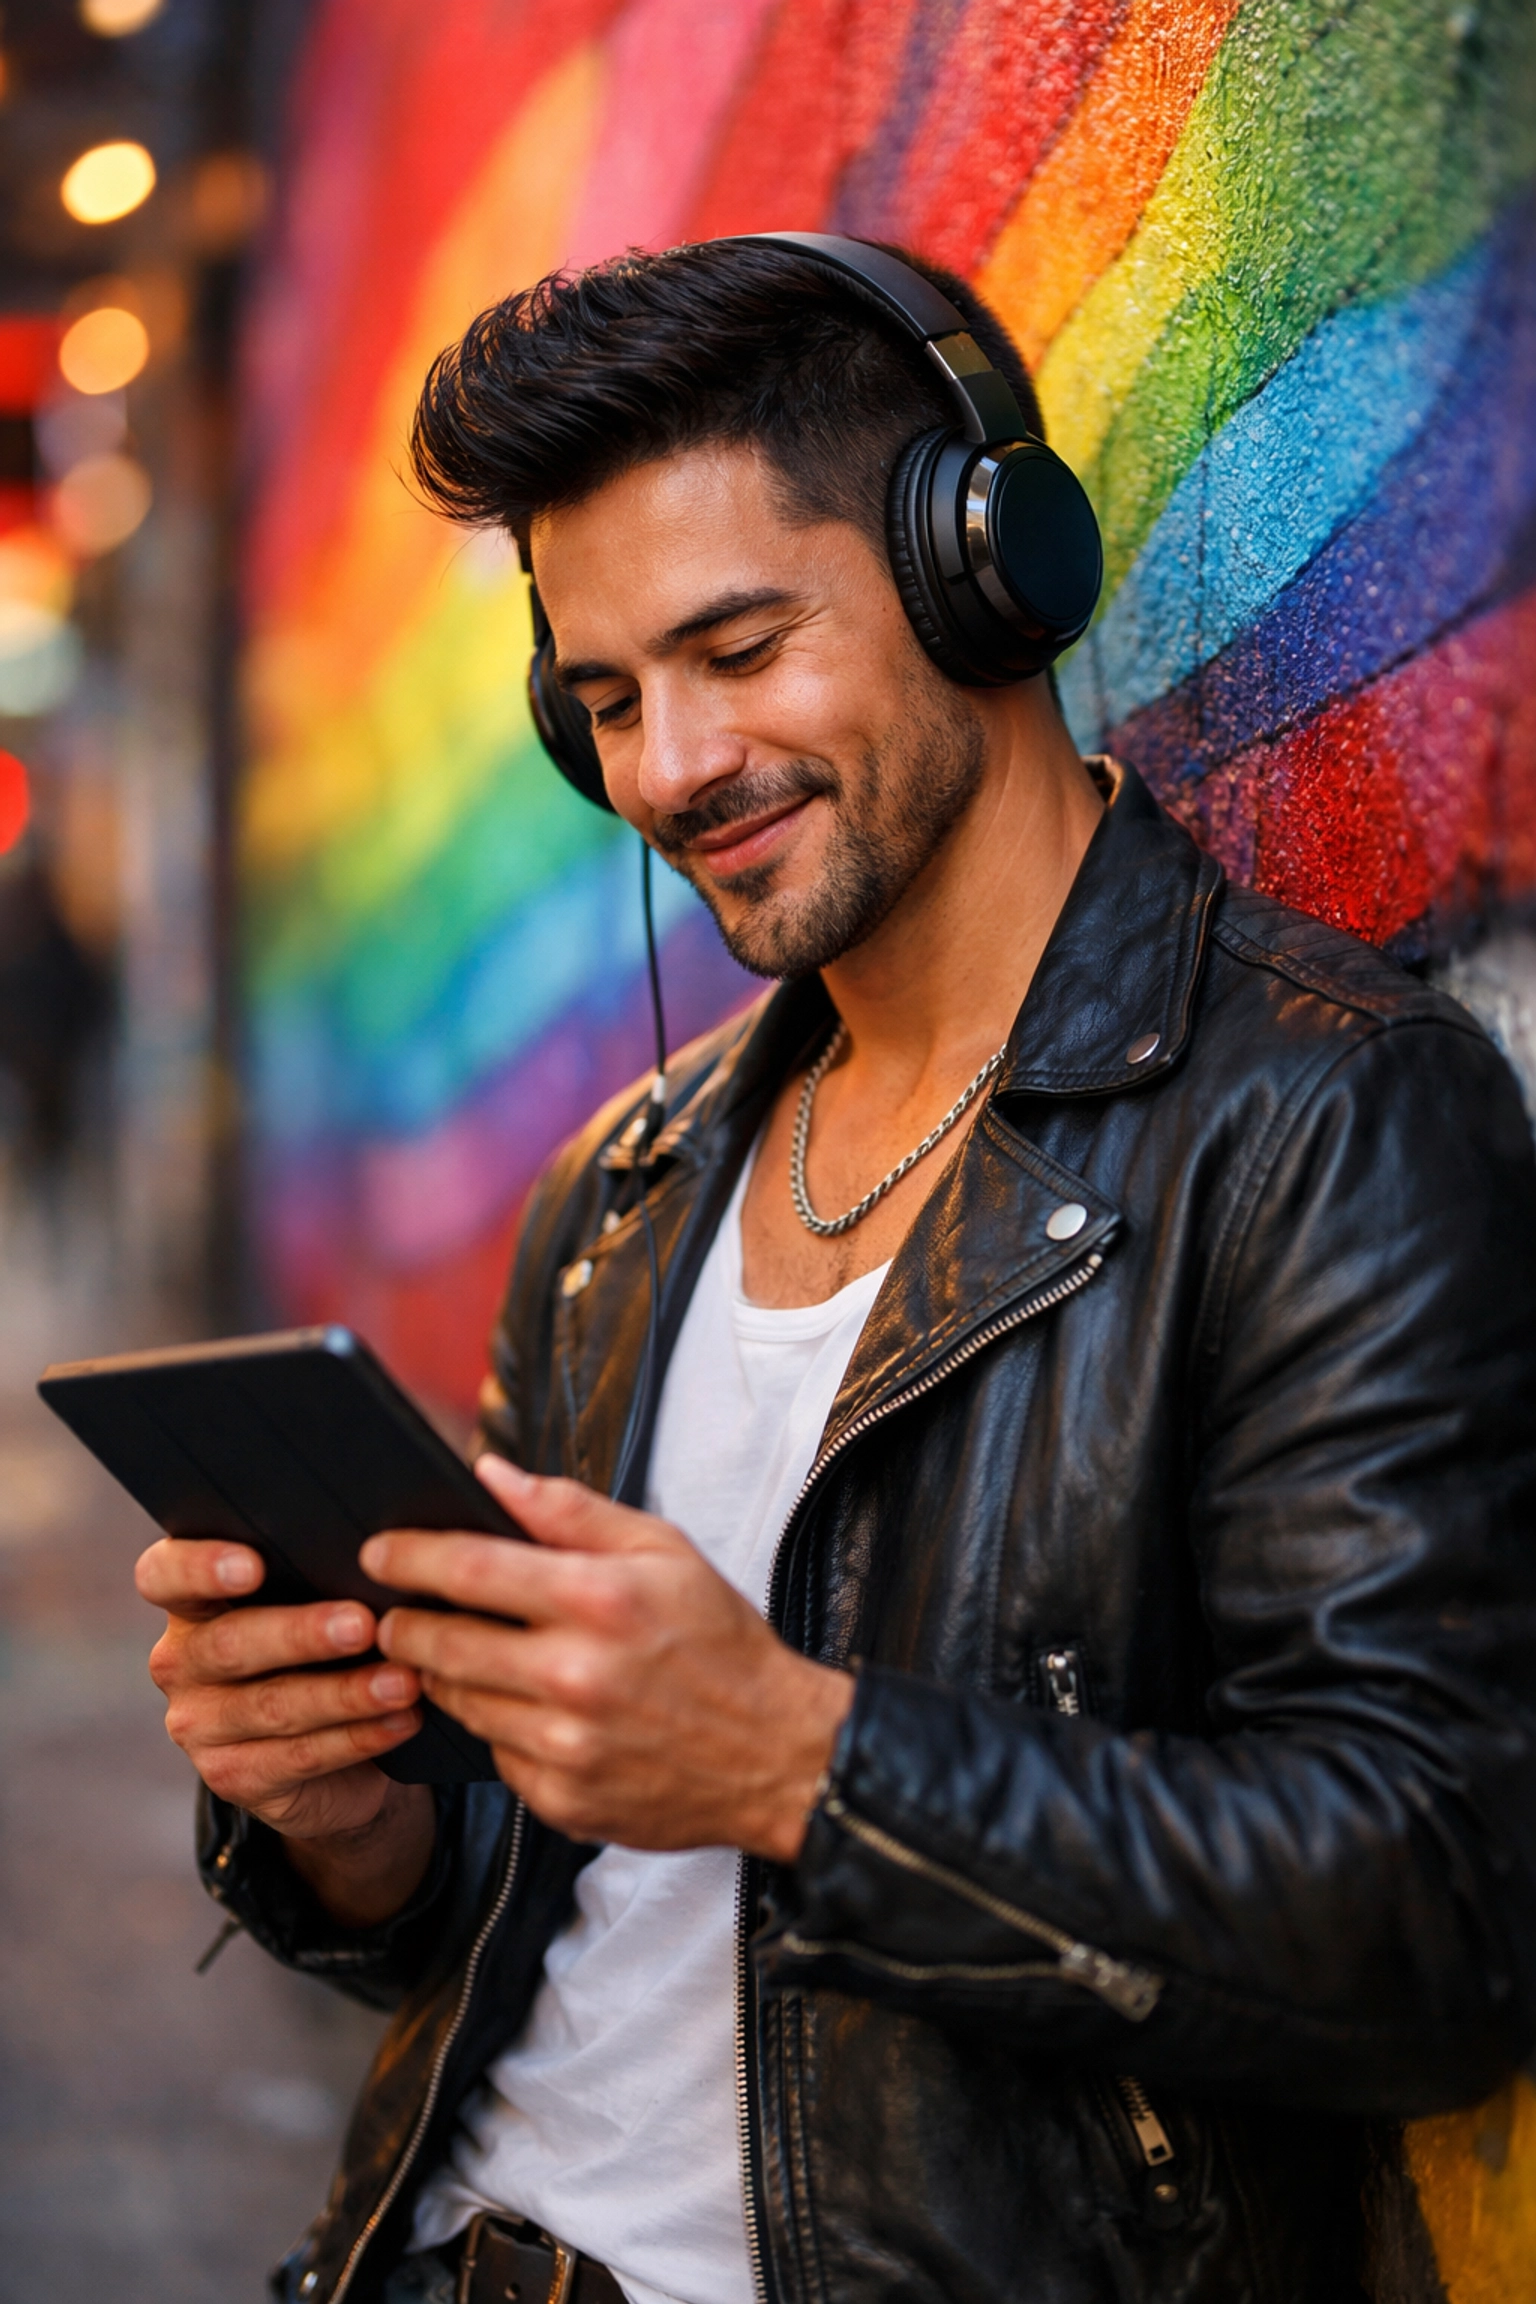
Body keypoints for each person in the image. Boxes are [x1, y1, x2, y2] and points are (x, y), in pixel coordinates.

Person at [136, 238, 1536, 2304]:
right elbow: (518, 1907)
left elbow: (1434, 1917)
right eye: (604, 698)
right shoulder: (623, 1188)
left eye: (738, 648)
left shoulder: (1321, 1123)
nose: (670, 768)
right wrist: (350, 1824)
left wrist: (800, 1758)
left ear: (989, 570)